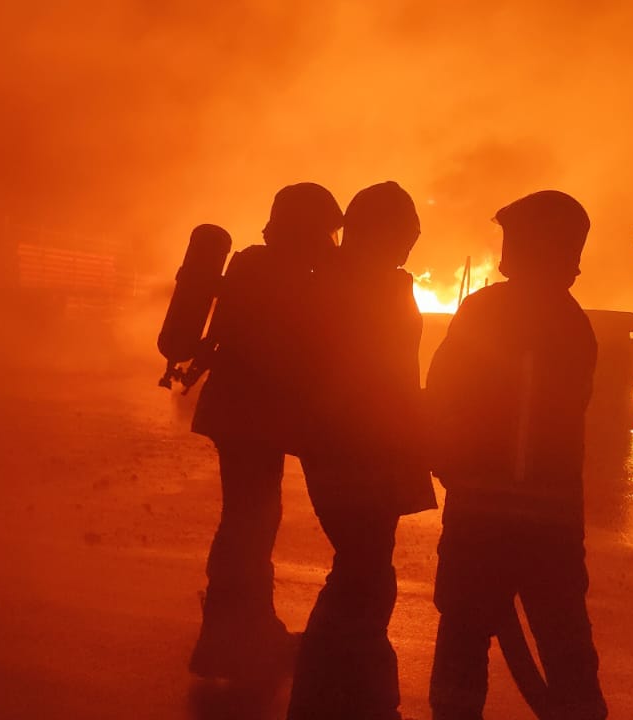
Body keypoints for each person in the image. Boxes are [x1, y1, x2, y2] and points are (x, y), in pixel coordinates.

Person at [424, 190, 608, 720]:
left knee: (463, 634)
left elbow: (442, 395)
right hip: (552, 520)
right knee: (564, 639)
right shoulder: (573, 323)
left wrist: (446, 459)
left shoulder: (488, 311)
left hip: (482, 514)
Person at [286, 181, 437, 720]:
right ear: (378, 232)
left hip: (353, 447)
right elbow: (376, 375)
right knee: (364, 572)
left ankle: (337, 694)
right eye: (406, 233)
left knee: (363, 568)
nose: (412, 243)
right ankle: (351, 696)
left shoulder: (347, 279)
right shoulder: (362, 286)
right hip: (358, 449)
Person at [188, 182, 343, 681]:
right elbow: (287, 353)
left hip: (238, 416)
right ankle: (229, 639)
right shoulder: (281, 273)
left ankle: (238, 632)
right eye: (324, 231)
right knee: (249, 524)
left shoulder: (256, 264)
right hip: (249, 418)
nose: (330, 242)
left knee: (249, 521)